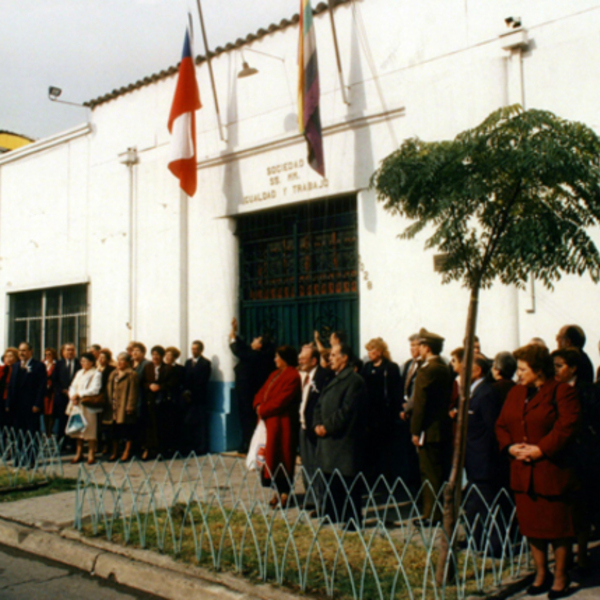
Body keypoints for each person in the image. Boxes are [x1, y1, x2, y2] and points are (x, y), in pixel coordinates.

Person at [496, 344, 580, 598]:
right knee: (532, 527)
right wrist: (510, 447)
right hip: (522, 472)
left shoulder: (563, 392)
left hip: (551, 471)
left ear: (538, 370)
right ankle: (541, 573)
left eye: (523, 369)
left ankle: (561, 576)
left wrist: (541, 450)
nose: (518, 374)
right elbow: (501, 425)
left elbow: (567, 427)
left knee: (557, 528)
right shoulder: (515, 393)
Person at [552, 348, 600, 574]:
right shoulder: (551, 390)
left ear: (573, 369)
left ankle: (581, 554)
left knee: (582, 506)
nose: (556, 371)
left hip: (583, 456)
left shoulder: (587, 391)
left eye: (560, 366)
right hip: (562, 455)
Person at [313, 343, 367, 526]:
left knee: (347, 479)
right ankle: (334, 513)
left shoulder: (354, 381)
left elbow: (347, 411)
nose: (331, 358)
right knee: (331, 477)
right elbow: (319, 404)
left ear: (345, 358)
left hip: (344, 439)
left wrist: (327, 426)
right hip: (328, 438)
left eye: (335, 355)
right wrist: (317, 424)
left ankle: (353, 518)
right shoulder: (332, 378)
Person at [410, 328, 453, 526]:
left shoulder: (429, 370)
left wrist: (415, 431)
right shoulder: (442, 367)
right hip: (439, 427)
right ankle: (434, 513)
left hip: (430, 429)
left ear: (426, 347)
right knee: (435, 472)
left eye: (420, 345)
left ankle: (432, 515)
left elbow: (421, 404)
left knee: (430, 473)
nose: (417, 348)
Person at [463, 355, 503, 553]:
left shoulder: (486, 393)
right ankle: (475, 540)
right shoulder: (473, 391)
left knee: (487, 503)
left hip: (483, 459)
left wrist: (487, 458)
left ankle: (495, 546)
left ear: (477, 370)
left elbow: (491, 428)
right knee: (473, 502)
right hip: (472, 458)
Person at [253, 345, 301, 508]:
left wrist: (264, 409)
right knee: (270, 459)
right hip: (269, 423)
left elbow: (282, 400)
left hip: (283, 424)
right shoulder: (275, 374)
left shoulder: (293, 375)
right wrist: (258, 404)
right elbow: (262, 391)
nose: (274, 360)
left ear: (285, 358)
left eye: (277, 357)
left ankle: (285, 492)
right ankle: (276, 491)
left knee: (282, 457)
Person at [360, 337, 402, 485]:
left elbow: (396, 391)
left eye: (372, 350)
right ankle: (371, 478)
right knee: (370, 448)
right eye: (368, 350)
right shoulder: (366, 367)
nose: (370, 353)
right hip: (369, 413)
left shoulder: (390, 367)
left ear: (380, 351)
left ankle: (386, 479)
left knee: (385, 448)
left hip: (384, 414)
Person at [230, 318, 274, 454]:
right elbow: (243, 347)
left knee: (247, 418)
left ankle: (248, 444)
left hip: (248, 392)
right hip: (249, 391)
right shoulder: (257, 355)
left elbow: (238, 349)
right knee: (248, 418)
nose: (253, 339)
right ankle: (248, 442)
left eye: (256, 339)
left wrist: (233, 337)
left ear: (259, 345)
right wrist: (234, 331)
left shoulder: (255, 356)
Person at [297, 343, 333, 513]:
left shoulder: (324, 376)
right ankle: (311, 497)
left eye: (303, 359)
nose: (300, 361)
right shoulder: (303, 375)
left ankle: (321, 502)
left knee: (318, 465)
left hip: (316, 427)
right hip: (304, 425)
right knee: (307, 464)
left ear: (313, 360)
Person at [65, 351, 102, 464]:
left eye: (85, 361)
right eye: (81, 361)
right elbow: (72, 386)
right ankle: (79, 453)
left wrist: (79, 394)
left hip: (87, 404)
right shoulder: (79, 372)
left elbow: (95, 389)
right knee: (78, 429)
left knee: (90, 430)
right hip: (77, 404)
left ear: (91, 362)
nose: (83, 363)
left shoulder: (96, 373)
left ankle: (91, 455)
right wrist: (72, 396)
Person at [7, 342, 46, 438]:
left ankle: (32, 452)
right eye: (20, 350)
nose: (21, 353)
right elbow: (11, 386)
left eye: (24, 350)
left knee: (31, 432)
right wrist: (8, 403)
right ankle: (19, 452)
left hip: (31, 405)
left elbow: (41, 387)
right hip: (17, 406)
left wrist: (37, 404)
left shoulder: (38, 366)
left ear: (30, 351)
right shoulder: (16, 366)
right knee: (18, 432)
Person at [105, 352, 139, 462]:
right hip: (113, 406)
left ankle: (126, 451)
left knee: (127, 429)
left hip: (124, 406)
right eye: (118, 360)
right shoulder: (113, 373)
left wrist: (130, 405)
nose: (119, 362)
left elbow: (133, 392)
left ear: (128, 362)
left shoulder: (132, 374)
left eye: (122, 360)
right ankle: (114, 452)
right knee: (114, 430)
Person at [141, 345, 174, 460]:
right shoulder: (148, 367)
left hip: (162, 401)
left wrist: (160, 387)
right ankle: (149, 450)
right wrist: (150, 386)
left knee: (161, 426)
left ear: (162, 356)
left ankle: (161, 450)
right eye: (153, 355)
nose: (155, 357)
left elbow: (171, 384)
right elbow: (143, 382)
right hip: (149, 400)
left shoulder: (168, 368)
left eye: (157, 355)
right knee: (149, 426)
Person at [182, 340, 212, 455]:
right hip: (188, 398)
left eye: (196, 349)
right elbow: (186, 378)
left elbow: (203, 381)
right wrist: (186, 392)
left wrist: (192, 394)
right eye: (192, 349)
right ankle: (190, 446)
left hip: (199, 398)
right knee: (189, 422)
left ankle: (201, 447)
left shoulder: (205, 363)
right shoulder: (188, 362)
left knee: (201, 423)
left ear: (200, 350)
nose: (194, 351)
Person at [52, 342, 81, 447]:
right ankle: (61, 444)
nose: (70, 352)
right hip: (62, 397)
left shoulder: (79, 364)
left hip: (75, 398)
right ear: (63, 352)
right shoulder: (59, 364)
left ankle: (73, 444)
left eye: (72, 350)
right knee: (62, 421)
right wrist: (62, 390)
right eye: (68, 350)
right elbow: (54, 380)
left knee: (74, 420)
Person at [165, 346, 185, 454]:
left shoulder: (180, 369)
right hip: (164, 399)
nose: (168, 357)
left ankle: (175, 447)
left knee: (175, 423)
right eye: (166, 355)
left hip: (175, 399)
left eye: (170, 355)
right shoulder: (162, 368)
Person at [96, 348, 116, 455]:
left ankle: (108, 446)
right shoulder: (96, 369)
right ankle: (98, 445)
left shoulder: (111, 369)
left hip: (106, 398)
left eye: (103, 358)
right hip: (96, 399)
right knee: (97, 424)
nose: (101, 359)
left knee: (107, 424)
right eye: (99, 357)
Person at [400, 334, 421, 420]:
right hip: (404, 406)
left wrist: (409, 406)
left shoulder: (424, 364)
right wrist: (403, 402)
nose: (411, 348)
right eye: (410, 345)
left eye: (414, 345)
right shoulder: (408, 363)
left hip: (416, 408)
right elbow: (402, 384)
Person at [0, 348, 18, 429]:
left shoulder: (18, 370)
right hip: (2, 398)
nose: (8, 359)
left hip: (13, 399)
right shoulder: (2, 370)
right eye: (6, 356)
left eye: (11, 356)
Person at [42, 348, 58, 436]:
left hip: (52, 390)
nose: (47, 356)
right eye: (46, 354)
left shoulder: (55, 365)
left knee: (51, 411)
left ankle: (51, 430)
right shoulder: (43, 364)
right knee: (45, 411)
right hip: (44, 390)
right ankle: (46, 430)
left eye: (49, 354)